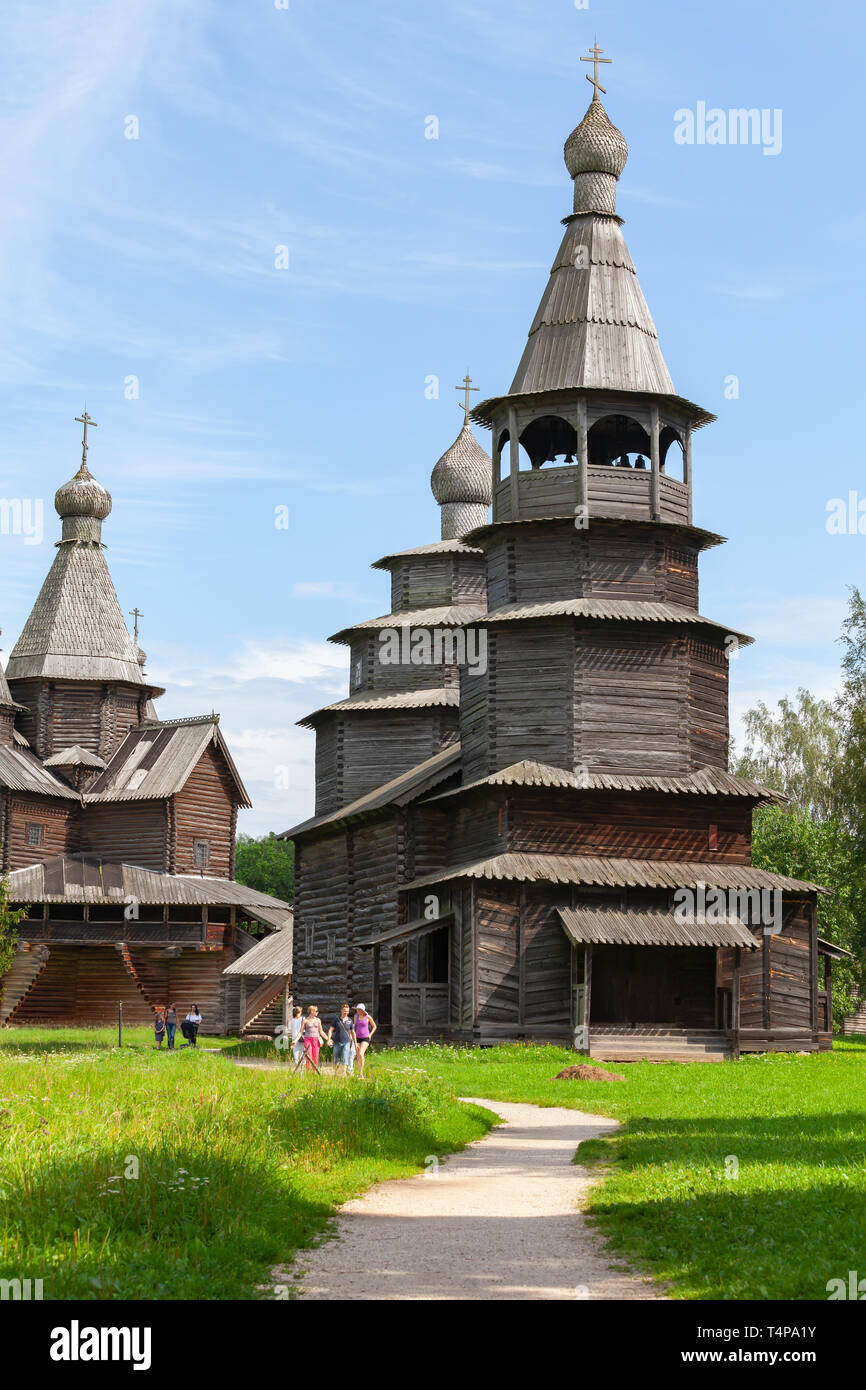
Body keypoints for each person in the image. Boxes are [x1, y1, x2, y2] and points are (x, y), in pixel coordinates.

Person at [327, 1004, 355, 1076]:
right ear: (341, 1010)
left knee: (345, 1058)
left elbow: (353, 1032)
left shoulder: (350, 1021)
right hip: (337, 1042)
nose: (346, 1012)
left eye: (347, 1011)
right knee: (335, 1058)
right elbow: (330, 1030)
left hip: (346, 1042)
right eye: (345, 1011)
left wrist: (355, 1042)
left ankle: (343, 1074)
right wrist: (329, 1039)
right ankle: (335, 1074)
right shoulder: (336, 1019)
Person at [352, 1003, 376, 1078]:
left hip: (365, 1038)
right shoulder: (356, 1016)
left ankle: (361, 1074)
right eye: (357, 1010)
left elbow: (374, 1026)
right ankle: (359, 1072)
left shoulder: (368, 1017)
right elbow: (354, 1025)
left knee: (361, 1053)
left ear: (362, 1010)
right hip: (357, 1038)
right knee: (358, 1055)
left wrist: (370, 1035)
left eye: (359, 1010)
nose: (357, 1011)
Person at [301, 1005, 327, 1071]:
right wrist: (295, 1040)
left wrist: (328, 1039)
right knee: (308, 1056)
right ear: (312, 1011)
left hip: (316, 1039)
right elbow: (300, 1032)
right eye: (316, 1011)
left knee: (315, 1056)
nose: (317, 1012)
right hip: (308, 1039)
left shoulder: (318, 1020)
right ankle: (308, 1071)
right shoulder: (305, 1020)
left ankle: (314, 1072)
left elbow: (321, 1031)